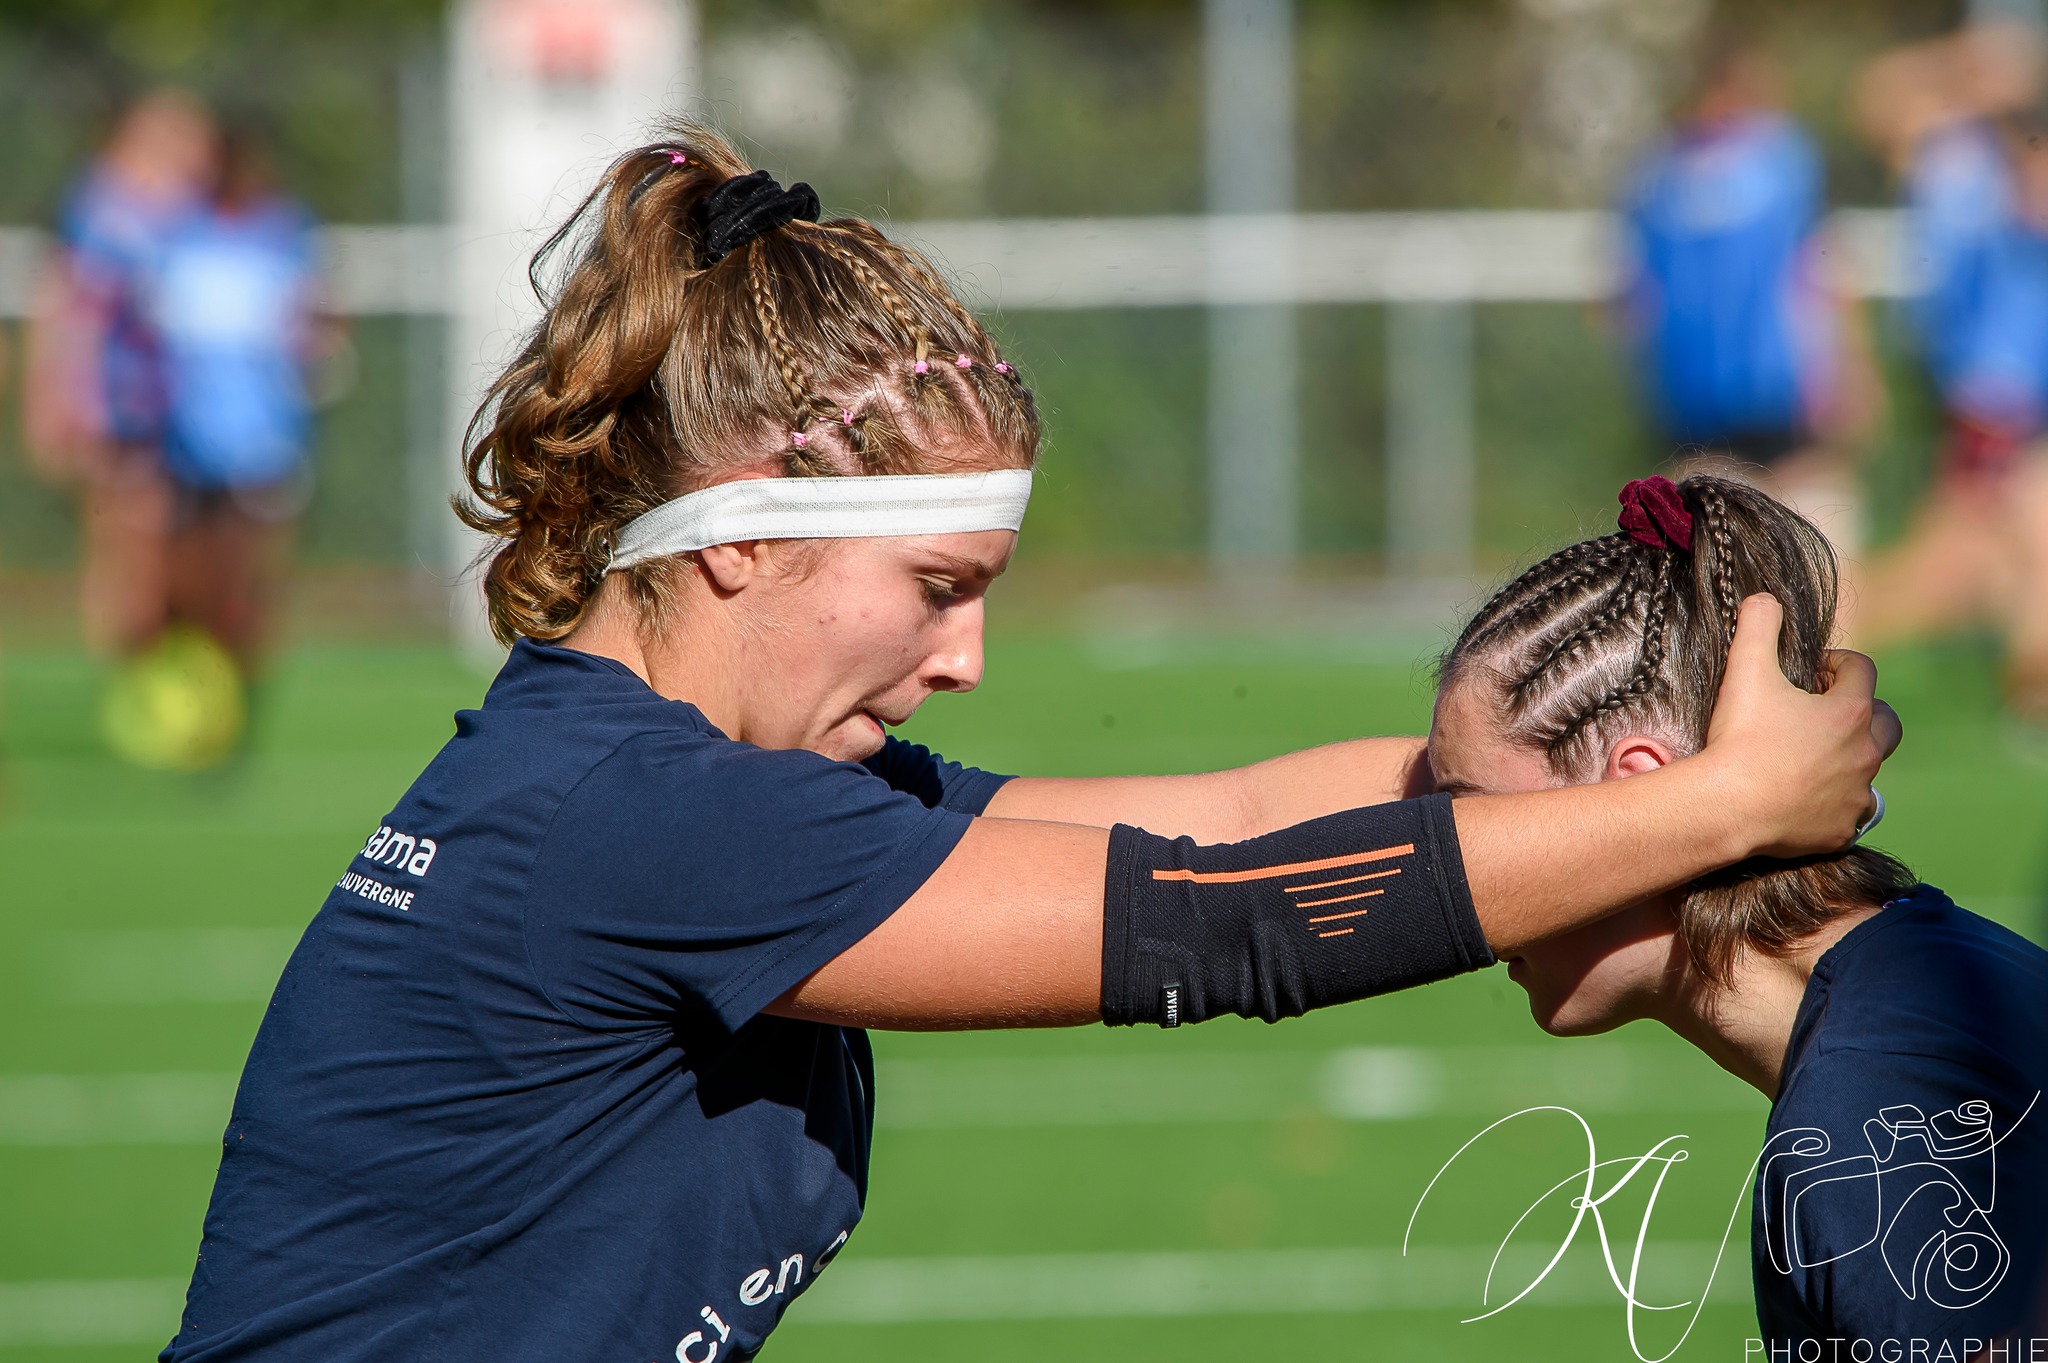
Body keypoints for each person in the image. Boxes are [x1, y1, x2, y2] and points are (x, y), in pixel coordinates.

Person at [159, 126, 1897, 1363]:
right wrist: (1734, 802)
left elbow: (1225, 819)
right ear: (742, 530)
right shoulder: (657, 824)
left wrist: (1586, 758)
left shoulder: (689, 778)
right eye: (932, 584)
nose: (968, 658)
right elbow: (1229, 926)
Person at [1428, 474, 2048, 1356]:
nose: (1452, 868)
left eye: (1469, 814)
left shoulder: (1866, 1137)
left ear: (1638, 793)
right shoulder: (1924, 977)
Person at [1615, 39, 1879, 588]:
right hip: (1781, 381)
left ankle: (1719, 660)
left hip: (1690, 391)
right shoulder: (1784, 160)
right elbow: (1823, 265)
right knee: (1821, 538)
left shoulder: (1651, 174)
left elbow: (1630, 298)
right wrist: (1853, 365)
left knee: (1710, 550)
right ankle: (1821, 657)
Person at [1852, 20, 2048, 711]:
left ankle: (2031, 688)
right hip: (1994, 400)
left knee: (2024, 545)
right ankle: (1816, 626)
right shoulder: (1966, 182)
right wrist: (1970, 67)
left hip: (2011, 402)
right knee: (1948, 569)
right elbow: (1884, 100)